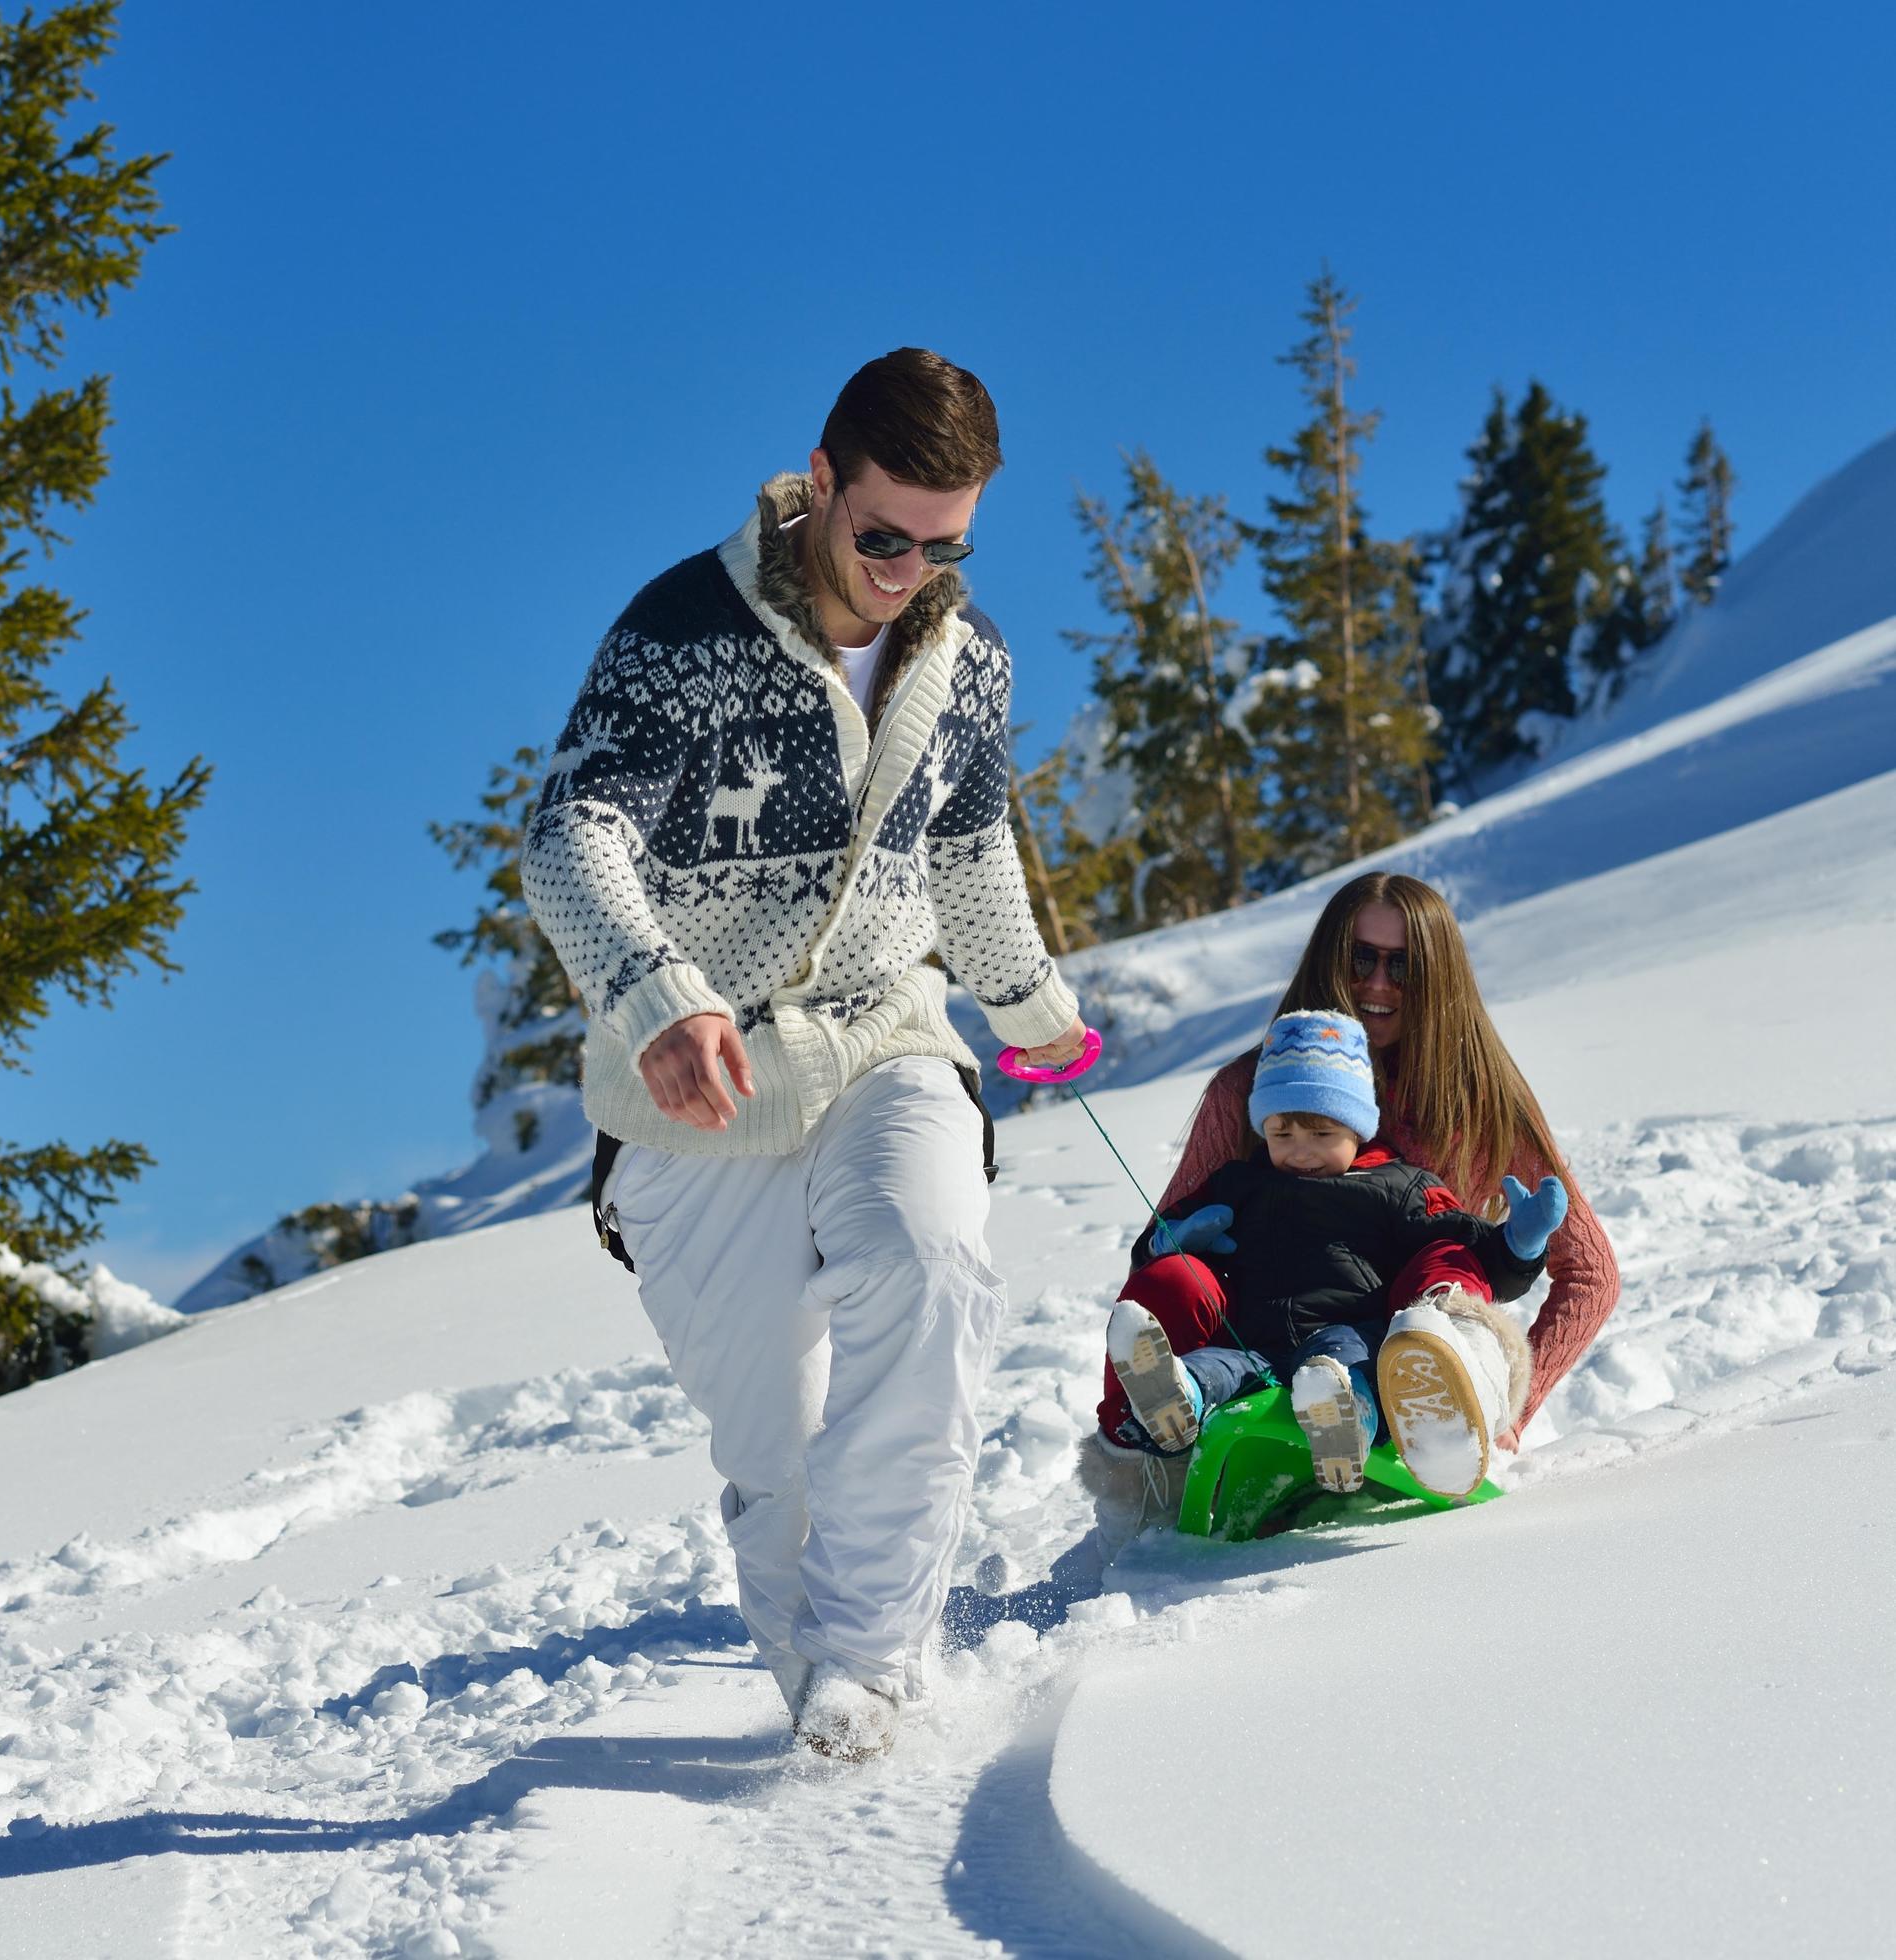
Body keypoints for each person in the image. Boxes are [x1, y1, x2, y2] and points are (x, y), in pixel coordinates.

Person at [520, 349, 1086, 1763]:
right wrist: (659, 999)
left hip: (885, 1032)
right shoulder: (681, 630)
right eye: (881, 535)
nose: (906, 573)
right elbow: (568, 834)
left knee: (933, 1263)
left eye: (944, 546)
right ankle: (816, 1688)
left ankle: (874, 1666)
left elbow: (961, 852)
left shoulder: (965, 659)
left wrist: (1028, 1011)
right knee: (775, 1445)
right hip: (698, 1085)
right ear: (818, 483)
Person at [1088, 873, 1619, 1519]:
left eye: (1405, 965)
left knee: (1444, 1267)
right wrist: (1179, 1250)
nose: (1376, 982)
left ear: (1439, 976)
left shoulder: (1479, 1097)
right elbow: (1163, 1246)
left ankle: (1443, 1401)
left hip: (1396, 1354)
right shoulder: (1254, 1087)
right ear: (1328, 960)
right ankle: (1158, 1458)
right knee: (1177, 1275)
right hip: (1265, 1334)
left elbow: (1590, 1273)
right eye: (1359, 957)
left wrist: (1513, 1408)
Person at [1104, 1010, 1568, 1496]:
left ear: (1356, 1127)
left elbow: (1461, 1252)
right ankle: (1174, 1396)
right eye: (1283, 1134)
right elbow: (1155, 1243)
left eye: (1321, 1134)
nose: (1300, 1151)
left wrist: (1519, 1243)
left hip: (1351, 1331)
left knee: (1340, 1367)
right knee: (1220, 1368)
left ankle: (1348, 1422)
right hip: (1256, 1343)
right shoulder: (1242, 1183)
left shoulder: (1396, 1186)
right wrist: (1173, 1235)